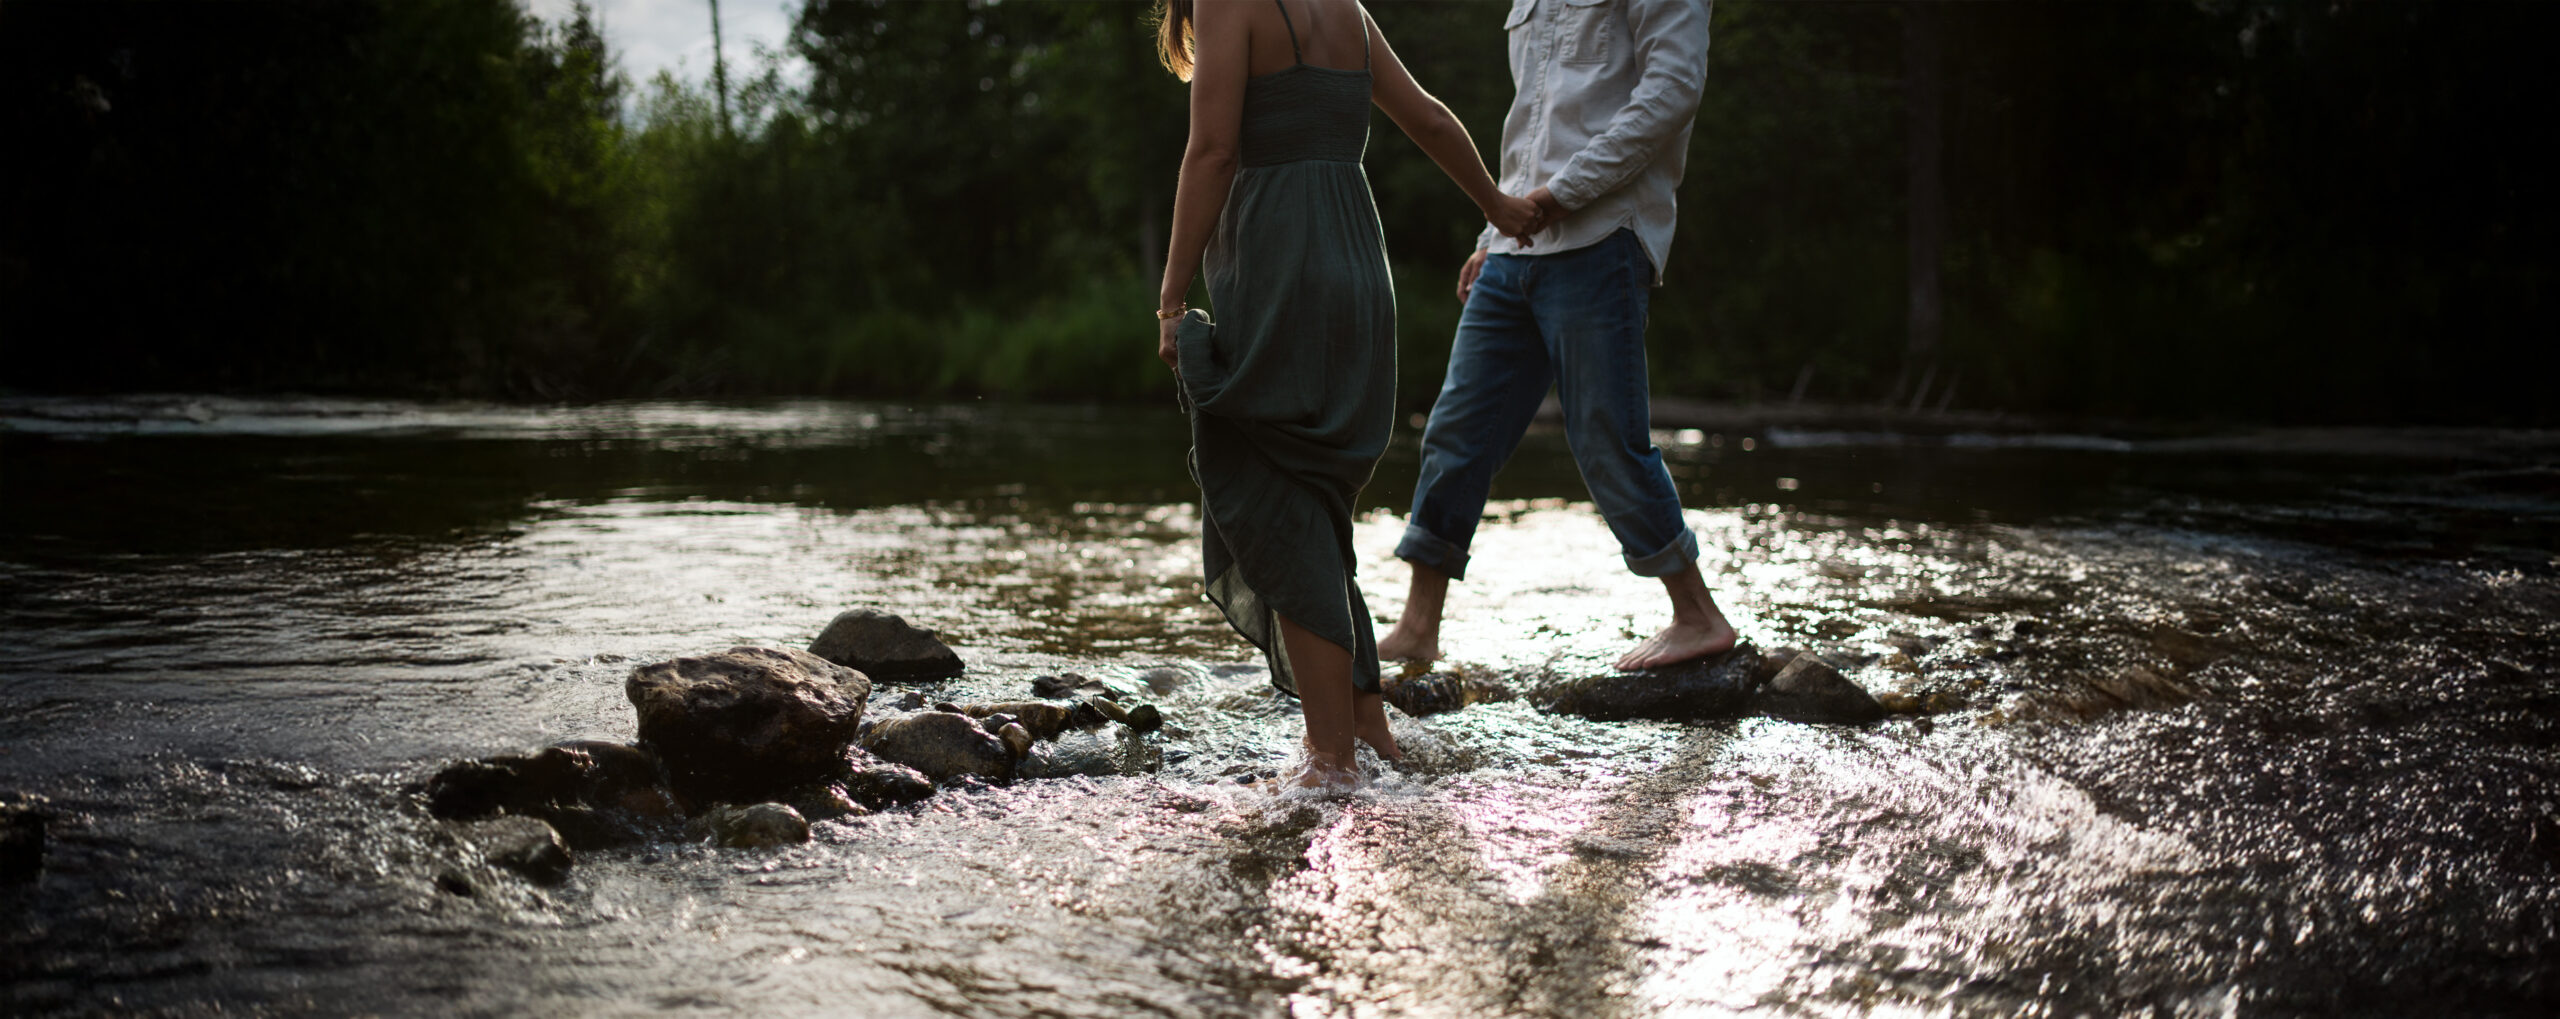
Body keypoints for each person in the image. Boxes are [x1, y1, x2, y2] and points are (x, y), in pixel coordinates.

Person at [1153, 0, 1540, 791]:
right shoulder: (1348, 10)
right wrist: (1497, 207)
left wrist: (1169, 299)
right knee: (1317, 501)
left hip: (1280, 264)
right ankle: (1370, 730)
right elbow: (1429, 120)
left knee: (1275, 495)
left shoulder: (1233, 3)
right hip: (1360, 270)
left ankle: (1330, 762)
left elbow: (1213, 152)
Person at [1375, 0, 1737, 673]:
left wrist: (1558, 196)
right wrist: (1495, 231)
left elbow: (1671, 94)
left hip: (1602, 234)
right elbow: (1533, 119)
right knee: (1457, 429)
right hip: (1518, 245)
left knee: (1605, 432)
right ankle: (1419, 626)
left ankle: (1696, 615)